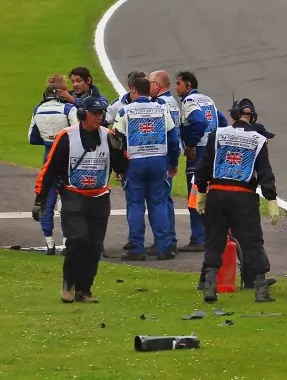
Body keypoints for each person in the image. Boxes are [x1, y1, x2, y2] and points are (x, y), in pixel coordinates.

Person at [33, 97, 129, 303]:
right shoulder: (66, 137)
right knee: (77, 240)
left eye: (101, 113)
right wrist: (40, 198)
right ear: (82, 114)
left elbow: (122, 168)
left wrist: (119, 149)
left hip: (100, 198)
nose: (99, 117)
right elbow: (49, 169)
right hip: (73, 196)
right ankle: (69, 281)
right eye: (94, 113)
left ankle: (84, 289)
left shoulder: (109, 136)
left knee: (94, 246)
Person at [195, 99, 281, 303]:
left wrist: (201, 191)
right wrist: (271, 198)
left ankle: (210, 286)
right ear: (253, 117)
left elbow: (204, 164)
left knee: (214, 240)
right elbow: (265, 173)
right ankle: (260, 288)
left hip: (217, 195)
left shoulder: (218, 134)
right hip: (243, 197)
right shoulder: (258, 139)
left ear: (233, 115)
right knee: (252, 242)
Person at [111, 76, 180, 261]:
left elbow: (116, 141)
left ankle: (136, 248)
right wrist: (173, 163)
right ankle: (164, 247)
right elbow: (173, 139)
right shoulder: (161, 109)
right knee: (159, 203)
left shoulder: (125, 111)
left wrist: (118, 167)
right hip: (158, 160)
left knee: (135, 204)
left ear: (133, 89)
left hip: (134, 162)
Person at [175, 71, 227, 252]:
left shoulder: (189, 102)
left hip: (198, 154)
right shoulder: (208, 100)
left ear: (188, 85)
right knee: (212, 195)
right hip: (213, 152)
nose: (176, 87)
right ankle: (216, 236)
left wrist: (191, 145)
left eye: (179, 84)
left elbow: (200, 123)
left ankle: (198, 239)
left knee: (195, 197)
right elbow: (222, 121)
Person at [29, 74, 79, 254]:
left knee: (46, 199)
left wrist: (48, 138)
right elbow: (77, 134)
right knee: (68, 200)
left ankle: (49, 243)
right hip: (67, 159)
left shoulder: (38, 110)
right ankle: (66, 242)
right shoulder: (69, 109)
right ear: (63, 90)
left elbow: (32, 138)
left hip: (48, 157)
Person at [149, 70, 182, 256]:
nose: (148, 86)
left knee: (160, 200)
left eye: (150, 83)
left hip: (162, 156)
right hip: (168, 155)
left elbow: (171, 135)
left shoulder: (161, 104)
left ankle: (167, 240)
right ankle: (168, 238)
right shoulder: (171, 103)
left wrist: (171, 161)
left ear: (158, 85)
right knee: (164, 199)